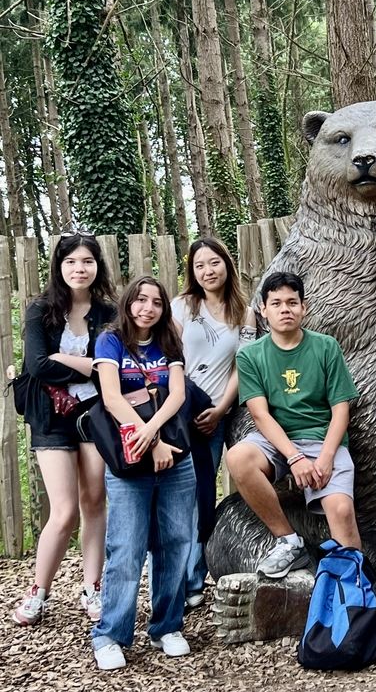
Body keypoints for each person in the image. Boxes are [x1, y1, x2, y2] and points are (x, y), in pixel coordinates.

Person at [91, 277, 196, 671]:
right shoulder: (111, 341)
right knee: (126, 547)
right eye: (140, 300)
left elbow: (178, 395)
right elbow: (112, 398)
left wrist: (154, 432)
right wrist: (150, 442)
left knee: (175, 541)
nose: (147, 308)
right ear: (128, 302)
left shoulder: (169, 340)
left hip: (175, 455)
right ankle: (110, 634)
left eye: (155, 302)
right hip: (131, 457)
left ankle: (167, 626)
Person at [226, 271, 361, 578]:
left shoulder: (326, 347)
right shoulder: (250, 355)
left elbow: (341, 407)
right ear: (263, 309)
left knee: (340, 511)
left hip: (322, 438)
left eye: (291, 302)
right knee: (237, 457)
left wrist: (326, 457)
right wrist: (295, 458)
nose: (284, 309)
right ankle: (288, 541)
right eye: (276, 303)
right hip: (277, 441)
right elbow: (260, 415)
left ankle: (356, 598)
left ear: (304, 307)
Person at [12, 229, 116, 627]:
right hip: (50, 415)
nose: (79, 268)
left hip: (93, 413)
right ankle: (38, 591)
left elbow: (109, 364)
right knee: (65, 510)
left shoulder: (107, 313)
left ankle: (93, 587)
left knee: (94, 501)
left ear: (97, 265)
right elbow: (38, 365)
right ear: (59, 266)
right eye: (71, 261)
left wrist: (69, 359)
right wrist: (85, 364)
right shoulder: (41, 310)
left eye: (87, 261)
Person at [171, 238, 255, 608]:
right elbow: (168, 356)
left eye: (214, 262)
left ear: (227, 264)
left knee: (203, 493)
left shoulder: (245, 313)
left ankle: (192, 579)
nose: (208, 271)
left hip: (215, 415)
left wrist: (221, 408)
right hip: (177, 411)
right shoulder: (182, 307)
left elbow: (243, 365)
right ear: (192, 271)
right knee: (176, 494)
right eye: (200, 265)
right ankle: (169, 577)